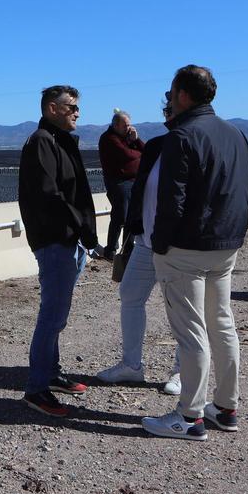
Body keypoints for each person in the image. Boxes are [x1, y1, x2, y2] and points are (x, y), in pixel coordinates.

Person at [141, 65, 248, 441]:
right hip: (225, 245)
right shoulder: (235, 133)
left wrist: (159, 242)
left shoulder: (182, 136)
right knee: (222, 325)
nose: (169, 99)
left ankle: (189, 418)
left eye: (172, 93)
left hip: (185, 249)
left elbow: (173, 201)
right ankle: (225, 407)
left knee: (192, 334)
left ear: (183, 95)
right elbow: (242, 190)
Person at [18, 85, 100, 417]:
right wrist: (81, 228)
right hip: (55, 240)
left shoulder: (60, 141)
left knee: (58, 315)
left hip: (71, 239)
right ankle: (36, 389)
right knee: (52, 316)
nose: (77, 112)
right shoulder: (42, 142)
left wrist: (84, 234)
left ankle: (50, 373)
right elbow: (50, 195)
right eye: (72, 107)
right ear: (53, 108)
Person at [96, 94, 182, 394]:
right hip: (145, 240)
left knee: (182, 308)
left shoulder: (192, 144)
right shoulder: (157, 145)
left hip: (178, 245)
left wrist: (136, 142)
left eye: (170, 110)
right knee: (130, 294)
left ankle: (181, 372)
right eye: (166, 110)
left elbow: (137, 159)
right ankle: (131, 365)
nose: (166, 114)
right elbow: (136, 164)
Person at [98, 110, 145, 258]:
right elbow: (127, 155)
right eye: (125, 126)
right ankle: (111, 249)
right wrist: (138, 154)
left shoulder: (128, 138)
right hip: (118, 182)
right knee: (120, 216)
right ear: (116, 125)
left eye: (129, 125)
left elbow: (145, 150)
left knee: (132, 216)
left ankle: (128, 250)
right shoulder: (109, 139)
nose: (128, 128)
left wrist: (136, 140)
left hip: (133, 181)